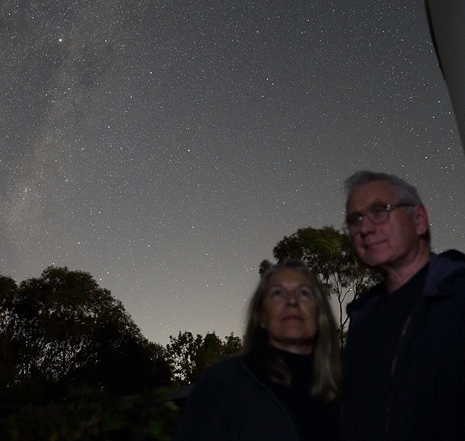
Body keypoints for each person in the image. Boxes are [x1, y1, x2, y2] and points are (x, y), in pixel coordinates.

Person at [342, 170, 465, 441]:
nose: (364, 228)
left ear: (419, 220)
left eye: (379, 210)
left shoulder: (459, 294)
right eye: (355, 219)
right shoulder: (363, 320)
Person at [173, 260, 341, 440]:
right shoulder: (223, 383)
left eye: (304, 293)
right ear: (261, 316)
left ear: (319, 313)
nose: (292, 301)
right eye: (277, 293)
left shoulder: (347, 387)